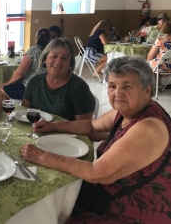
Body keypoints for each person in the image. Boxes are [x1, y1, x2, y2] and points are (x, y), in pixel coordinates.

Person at [20, 56, 171, 223]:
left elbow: (96, 173)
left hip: (129, 212)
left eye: (127, 86)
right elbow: (92, 127)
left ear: (147, 91)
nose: (118, 93)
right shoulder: (126, 112)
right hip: (105, 197)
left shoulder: (149, 128)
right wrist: (54, 126)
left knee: (47, 212)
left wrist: (40, 156)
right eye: (112, 86)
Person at [21, 38, 95, 121]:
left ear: (70, 63)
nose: (58, 61)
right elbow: (23, 112)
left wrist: (53, 127)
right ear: (45, 59)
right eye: (54, 56)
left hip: (65, 133)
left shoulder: (79, 88)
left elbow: (84, 126)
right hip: (34, 131)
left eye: (64, 58)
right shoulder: (34, 81)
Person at [0, 28, 51, 100]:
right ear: (50, 39)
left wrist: (7, 83)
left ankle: (12, 107)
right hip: (45, 88)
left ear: (36, 38)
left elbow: (20, 72)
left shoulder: (33, 50)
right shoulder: (51, 51)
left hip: (29, 88)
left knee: (1, 89)